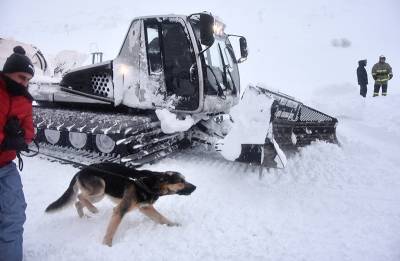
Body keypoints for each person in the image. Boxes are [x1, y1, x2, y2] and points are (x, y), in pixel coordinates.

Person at [0, 46, 35, 261]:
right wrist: (6, 139)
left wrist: (22, 136)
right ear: (7, 72)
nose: (24, 83)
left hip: (5, 167)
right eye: (21, 77)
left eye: (28, 80)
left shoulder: (25, 101)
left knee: (14, 214)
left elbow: (30, 131)